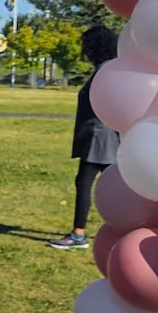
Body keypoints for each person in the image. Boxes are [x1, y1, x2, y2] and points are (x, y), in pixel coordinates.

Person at [48, 25, 120, 250]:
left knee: (86, 183)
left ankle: (78, 234)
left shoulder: (106, 70)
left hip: (99, 136)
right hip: (100, 136)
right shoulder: (108, 68)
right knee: (111, 184)